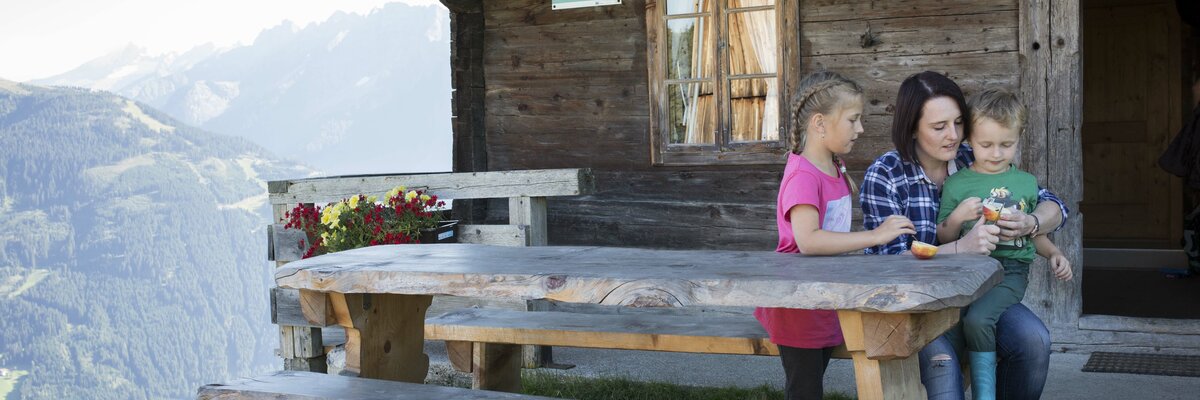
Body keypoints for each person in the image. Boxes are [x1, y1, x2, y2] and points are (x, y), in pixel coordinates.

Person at [859, 71, 1070, 400]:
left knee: (1034, 341)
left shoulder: (976, 154)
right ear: (912, 127)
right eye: (939, 126)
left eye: (959, 123)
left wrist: (1031, 222)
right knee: (944, 369)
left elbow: (1054, 205)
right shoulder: (885, 175)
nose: (954, 135)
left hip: (977, 294)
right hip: (917, 306)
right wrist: (960, 247)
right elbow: (891, 263)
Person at [756, 70, 916, 400]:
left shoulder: (831, 165)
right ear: (820, 124)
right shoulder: (803, 176)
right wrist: (875, 236)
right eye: (853, 120)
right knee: (805, 391)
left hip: (823, 298)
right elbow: (809, 240)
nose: (860, 129)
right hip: (797, 304)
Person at [934, 88, 1074, 400]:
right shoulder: (957, 184)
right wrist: (958, 216)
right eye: (986, 145)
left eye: (1006, 145)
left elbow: (1033, 233)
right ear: (969, 139)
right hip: (968, 272)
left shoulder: (1025, 183)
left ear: (1018, 139)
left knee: (979, 319)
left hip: (1010, 272)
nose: (996, 153)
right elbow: (943, 235)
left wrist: (1054, 253)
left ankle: (985, 394)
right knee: (955, 332)